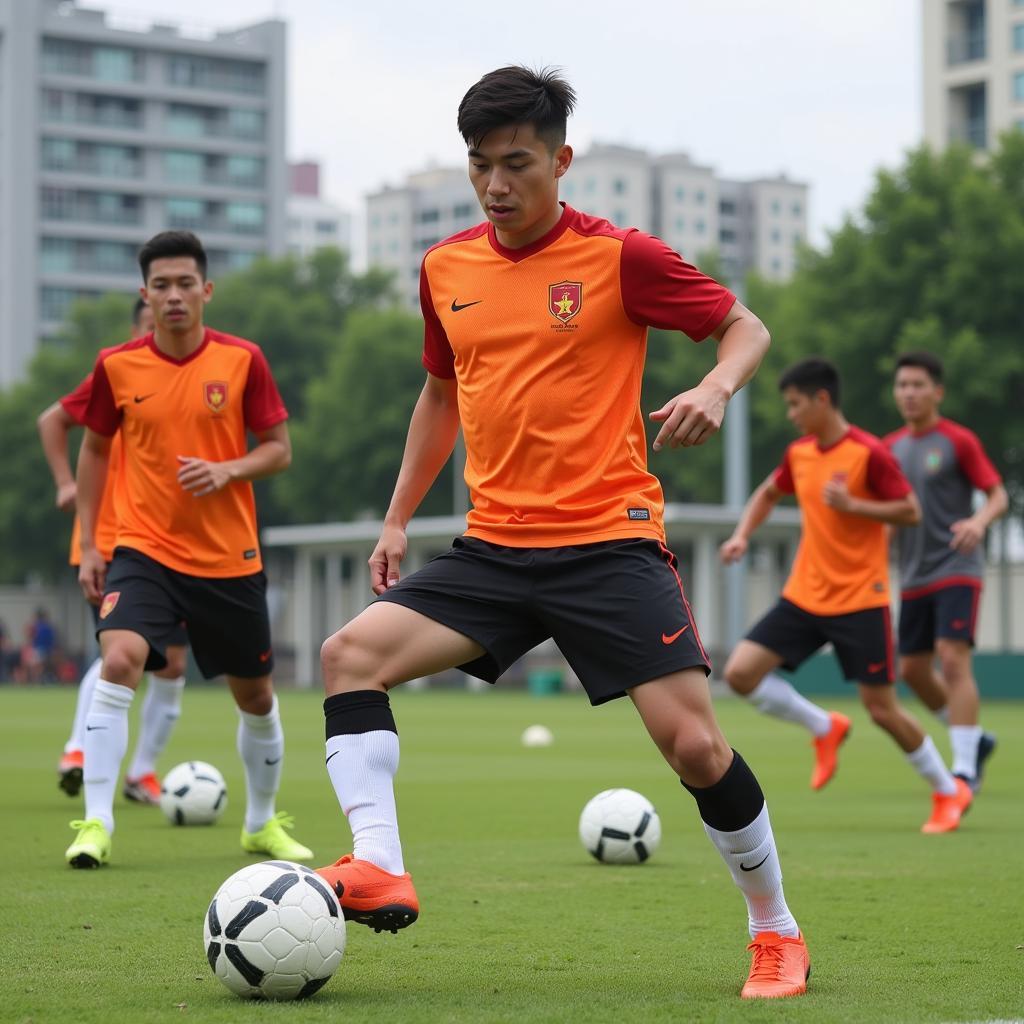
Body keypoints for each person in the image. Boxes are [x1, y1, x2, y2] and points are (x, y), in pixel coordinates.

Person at [315, 66, 810, 1000]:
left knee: (698, 752)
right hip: (493, 551)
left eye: (516, 164)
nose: (496, 186)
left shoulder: (621, 256)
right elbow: (439, 392)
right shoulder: (445, 268)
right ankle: (377, 862)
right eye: (478, 166)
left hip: (609, 545)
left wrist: (713, 386)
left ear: (560, 160)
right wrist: (396, 516)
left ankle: (776, 930)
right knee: (350, 656)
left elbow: (745, 328)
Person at [66, 230, 312, 869]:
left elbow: (280, 450)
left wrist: (229, 469)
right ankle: (95, 822)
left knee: (255, 697)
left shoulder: (242, 361)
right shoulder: (116, 365)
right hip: (143, 550)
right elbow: (92, 451)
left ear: (206, 290)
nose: (173, 296)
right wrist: (95, 543)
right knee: (119, 659)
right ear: (144, 294)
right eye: (160, 285)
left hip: (229, 560)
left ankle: (260, 824)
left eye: (184, 284)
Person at [719, 357, 972, 834]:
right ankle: (824, 727)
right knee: (740, 673)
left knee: (881, 709)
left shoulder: (869, 453)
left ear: (821, 399)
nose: (791, 414)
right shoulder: (799, 454)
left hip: (861, 598)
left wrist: (855, 505)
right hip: (805, 594)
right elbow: (768, 494)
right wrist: (741, 535)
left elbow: (911, 511)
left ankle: (947, 790)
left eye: (795, 404)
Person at [38, 298, 187, 803]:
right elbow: (51, 421)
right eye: (148, 325)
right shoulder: (118, 370)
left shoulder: (192, 373)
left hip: (169, 546)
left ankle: (138, 771)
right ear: (137, 328)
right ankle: (81, 750)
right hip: (108, 541)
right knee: (122, 649)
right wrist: (64, 484)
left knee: (169, 663)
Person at [886, 350, 1007, 791]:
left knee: (953, 659)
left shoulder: (958, 441)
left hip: (958, 566)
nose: (910, 393)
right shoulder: (890, 449)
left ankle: (964, 770)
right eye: (902, 385)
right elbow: (888, 517)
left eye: (918, 385)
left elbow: (997, 496)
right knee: (914, 671)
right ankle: (975, 739)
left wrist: (978, 521)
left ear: (937, 392)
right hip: (913, 574)